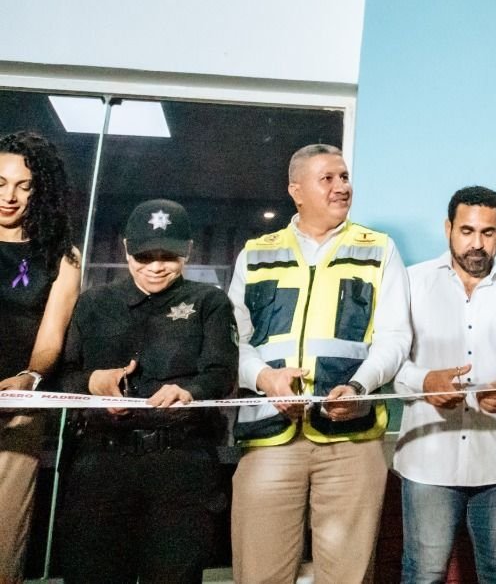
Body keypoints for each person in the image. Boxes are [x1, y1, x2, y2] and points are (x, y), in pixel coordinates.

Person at [227, 143, 412, 584]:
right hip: (268, 437)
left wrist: (360, 387)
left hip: (351, 437)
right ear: (296, 191)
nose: (341, 187)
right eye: (327, 178)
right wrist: (265, 378)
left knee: (348, 576)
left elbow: (395, 337)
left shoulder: (379, 249)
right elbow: (233, 342)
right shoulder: (256, 253)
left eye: (344, 177)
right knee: (259, 574)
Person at [55, 199, 237, 584]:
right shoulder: (93, 304)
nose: (155, 266)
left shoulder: (210, 302)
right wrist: (92, 383)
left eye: (168, 256)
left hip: (181, 466)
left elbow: (222, 374)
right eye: (144, 256)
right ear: (125, 249)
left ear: (189, 250)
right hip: (100, 466)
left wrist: (190, 391)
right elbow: (64, 377)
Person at [394, 186, 496, 584]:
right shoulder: (410, 283)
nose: (476, 243)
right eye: (466, 231)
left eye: (487, 232)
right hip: (428, 461)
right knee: (423, 574)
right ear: (448, 228)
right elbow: (391, 360)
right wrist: (424, 381)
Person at [0, 131, 81, 584]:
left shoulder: (62, 256)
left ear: (41, 190)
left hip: (16, 411)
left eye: (23, 186)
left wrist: (29, 377)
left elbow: (51, 336)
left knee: (3, 543)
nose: (9, 197)